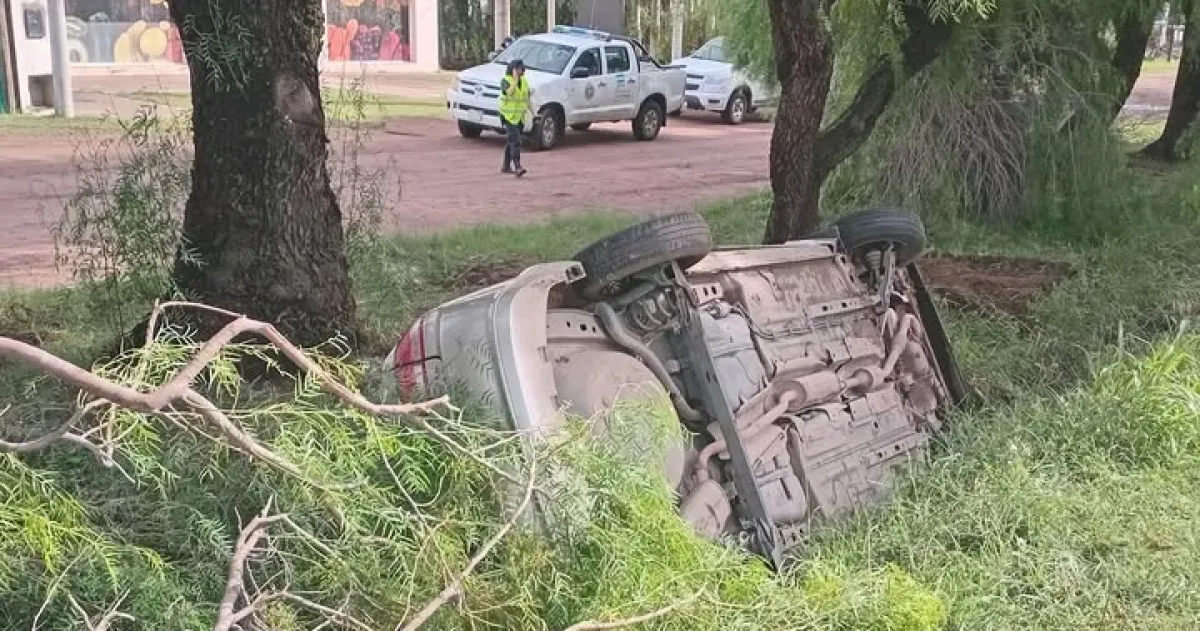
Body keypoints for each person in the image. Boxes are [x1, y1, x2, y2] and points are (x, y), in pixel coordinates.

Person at [498, 59, 531, 177]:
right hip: (508, 116)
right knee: (515, 141)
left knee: (511, 141)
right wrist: (515, 80)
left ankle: (506, 166)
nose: (521, 71)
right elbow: (510, 92)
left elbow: (526, 97)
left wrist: (533, 112)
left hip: (519, 117)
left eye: (521, 69)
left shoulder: (525, 82)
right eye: (518, 69)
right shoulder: (505, 81)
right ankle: (518, 166)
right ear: (513, 69)